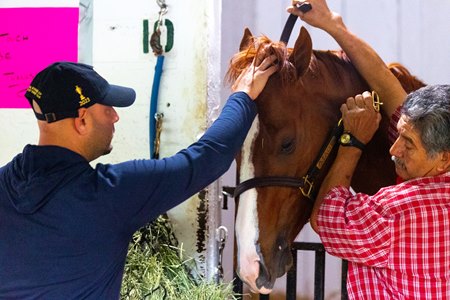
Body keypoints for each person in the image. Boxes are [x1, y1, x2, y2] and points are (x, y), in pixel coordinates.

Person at [0, 58, 277, 299]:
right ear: (82, 120)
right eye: (107, 107)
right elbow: (205, 160)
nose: (116, 117)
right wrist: (243, 95)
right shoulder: (109, 195)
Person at [288, 1, 450, 299]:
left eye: (408, 143)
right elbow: (389, 89)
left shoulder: (394, 214)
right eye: (399, 135)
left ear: (443, 160)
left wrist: (353, 142)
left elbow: (326, 218)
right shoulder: (438, 148)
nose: (394, 149)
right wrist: (332, 24)